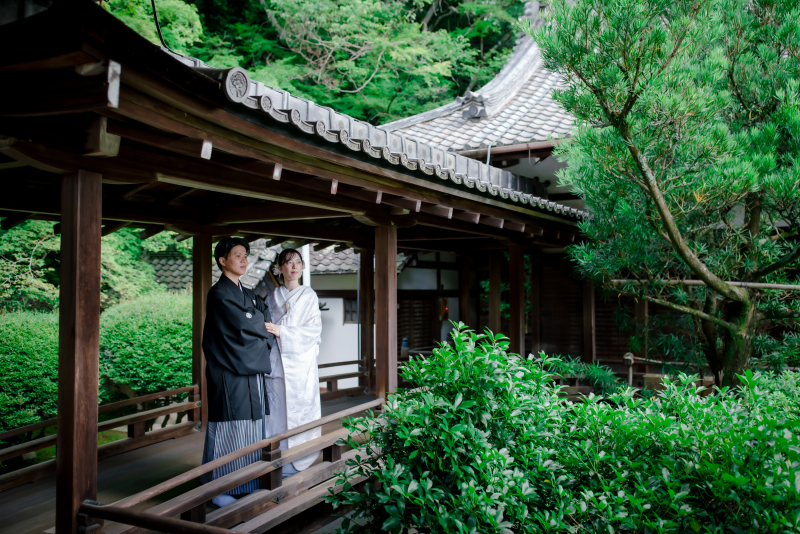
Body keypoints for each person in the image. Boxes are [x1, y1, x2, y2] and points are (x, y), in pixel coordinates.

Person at [200, 237, 274, 508]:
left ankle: (247, 484)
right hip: (229, 373)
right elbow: (247, 326)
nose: (244, 260)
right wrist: (258, 325)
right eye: (237, 255)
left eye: (245, 255)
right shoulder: (219, 294)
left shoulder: (248, 293)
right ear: (222, 261)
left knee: (252, 429)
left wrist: (257, 324)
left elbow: (264, 318)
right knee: (229, 429)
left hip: (250, 372)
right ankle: (217, 488)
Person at [264, 248, 323, 477]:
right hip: (276, 365)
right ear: (280, 268)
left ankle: (301, 456)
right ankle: (276, 457)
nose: (294, 266)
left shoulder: (308, 296)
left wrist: (283, 332)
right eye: (288, 263)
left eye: (298, 262)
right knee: (277, 413)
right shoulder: (271, 298)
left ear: (303, 266)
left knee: (299, 412)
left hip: (301, 367)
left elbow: (313, 331)